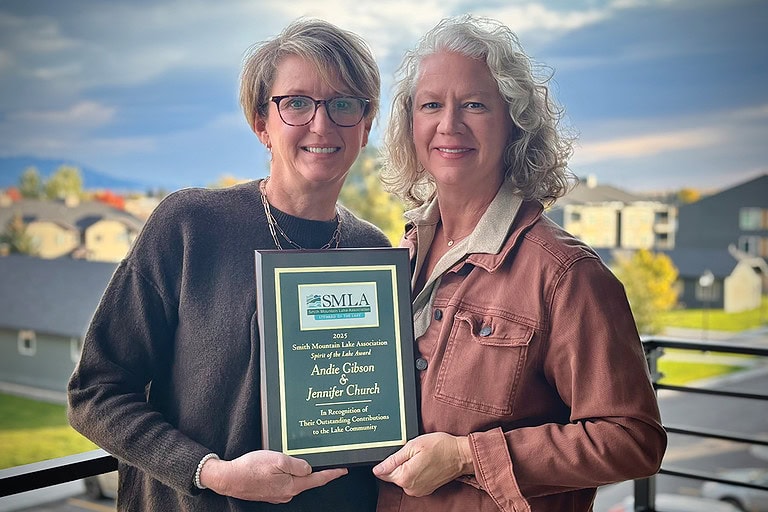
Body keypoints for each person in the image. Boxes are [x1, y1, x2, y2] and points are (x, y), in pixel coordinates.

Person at [68, 18, 389, 511]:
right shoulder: (190, 225)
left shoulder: (371, 253)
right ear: (262, 122)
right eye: (296, 103)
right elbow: (96, 392)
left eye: (344, 104)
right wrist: (211, 473)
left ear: (365, 127)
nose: (321, 124)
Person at [372, 14, 667, 512]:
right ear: (411, 125)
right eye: (431, 105)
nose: (449, 124)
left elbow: (632, 438)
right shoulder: (397, 259)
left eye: (474, 105)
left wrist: (468, 456)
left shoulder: (565, 275)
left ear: (514, 124)